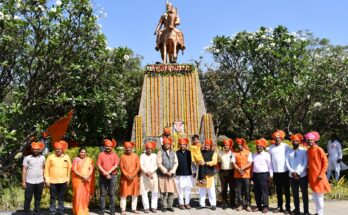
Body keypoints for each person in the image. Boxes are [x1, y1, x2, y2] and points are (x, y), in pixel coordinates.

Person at [306, 131, 331, 215]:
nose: (310, 141)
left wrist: (321, 174)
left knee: (319, 196)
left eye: (311, 140)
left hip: (319, 176)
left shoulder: (319, 149)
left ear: (315, 140)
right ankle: (317, 211)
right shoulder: (308, 150)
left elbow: (326, 162)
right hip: (312, 176)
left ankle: (320, 213)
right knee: (315, 195)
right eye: (308, 140)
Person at [44, 140, 71, 215]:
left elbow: (69, 169)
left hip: (63, 181)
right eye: (57, 149)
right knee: (53, 197)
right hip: (52, 181)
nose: (58, 150)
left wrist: (68, 179)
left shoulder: (66, 157)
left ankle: (61, 211)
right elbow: (46, 169)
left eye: (60, 149)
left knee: (61, 197)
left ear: (62, 149)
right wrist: (47, 180)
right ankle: (52, 211)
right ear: (55, 150)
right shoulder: (50, 157)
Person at [286, 134, 309, 215]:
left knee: (304, 194)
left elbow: (305, 163)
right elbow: (287, 162)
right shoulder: (289, 151)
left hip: (302, 176)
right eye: (293, 141)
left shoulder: (304, 151)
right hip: (292, 176)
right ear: (292, 142)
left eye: (296, 141)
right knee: (295, 194)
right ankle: (297, 209)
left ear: (299, 142)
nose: (295, 142)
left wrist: (298, 172)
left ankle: (306, 211)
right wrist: (292, 172)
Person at [269, 130, 291, 214]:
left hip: (285, 172)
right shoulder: (271, 148)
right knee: (278, 191)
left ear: (281, 138)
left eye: (278, 138)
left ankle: (288, 208)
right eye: (275, 138)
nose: (277, 139)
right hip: (276, 173)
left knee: (287, 191)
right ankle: (279, 207)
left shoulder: (286, 146)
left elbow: (289, 158)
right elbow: (270, 161)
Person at [22, 142, 45, 215]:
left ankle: (37, 212)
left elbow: (43, 168)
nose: (35, 151)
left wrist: (44, 179)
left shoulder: (43, 157)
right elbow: (24, 169)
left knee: (38, 198)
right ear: (32, 150)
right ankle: (26, 212)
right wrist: (23, 181)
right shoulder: (27, 158)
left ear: (40, 150)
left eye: (37, 149)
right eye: (34, 149)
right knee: (28, 198)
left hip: (40, 181)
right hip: (29, 181)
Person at [97, 139, 119, 215]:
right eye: (107, 146)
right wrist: (105, 173)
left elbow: (116, 165)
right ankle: (102, 210)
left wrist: (108, 172)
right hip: (102, 176)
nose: (108, 147)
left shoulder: (115, 155)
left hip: (112, 176)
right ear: (105, 146)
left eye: (109, 146)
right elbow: (99, 165)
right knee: (103, 194)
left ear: (112, 147)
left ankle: (112, 211)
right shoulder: (101, 154)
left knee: (112, 194)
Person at [157, 137, 178, 212]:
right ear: (163, 144)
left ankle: (170, 205)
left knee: (171, 191)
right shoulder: (160, 152)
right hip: (163, 175)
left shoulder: (173, 153)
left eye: (168, 144)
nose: (166, 145)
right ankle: (164, 206)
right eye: (165, 144)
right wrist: (165, 171)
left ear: (170, 145)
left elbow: (176, 163)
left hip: (171, 175)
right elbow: (159, 163)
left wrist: (172, 172)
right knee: (163, 191)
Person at [72, 147, 95, 215]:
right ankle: (78, 211)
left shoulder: (89, 160)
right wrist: (82, 176)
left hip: (87, 180)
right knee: (78, 195)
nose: (83, 153)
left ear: (86, 153)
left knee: (85, 195)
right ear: (79, 153)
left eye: (84, 152)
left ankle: (84, 210)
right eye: (82, 152)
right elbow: (74, 170)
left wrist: (87, 176)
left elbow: (91, 169)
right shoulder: (76, 160)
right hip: (78, 180)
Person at [232, 138, 253, 212]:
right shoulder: (234, 153)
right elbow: (233, 163)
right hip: (237, 175)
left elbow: (250, 162)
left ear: (243, 145)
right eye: (238, 145)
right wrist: (239, 169)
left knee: (247, 190)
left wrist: (242, 168)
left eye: (240, 145)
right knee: (239, 191)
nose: (239, 146)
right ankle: (240, 205)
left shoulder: (248, 152)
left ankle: (248, 205)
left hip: (246, 174)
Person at [120, 141, 141, 215]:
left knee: (134, 194)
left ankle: (134, 209)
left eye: (129, 148)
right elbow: (122, 168)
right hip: (125, 178)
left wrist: (133, 175)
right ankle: (123, 209)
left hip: (134, 178)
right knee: (123, 194)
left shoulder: (135, 156)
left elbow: (138, 166)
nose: (128, 149)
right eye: (127, 148)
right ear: (125, 148)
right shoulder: (122, 156)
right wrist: (127, 175)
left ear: (132, 148)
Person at [252, 138, 272, 213]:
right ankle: (258, 206)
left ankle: (265, 206)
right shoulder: (254, 154)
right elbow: (252, 165)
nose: (259, 147)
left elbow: (270, 165)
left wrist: (271, 175)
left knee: (264, 191)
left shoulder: (267, 155)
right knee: (257, 191)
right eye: (258, 146)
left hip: (264, 174)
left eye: (260, 146)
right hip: (255, 175)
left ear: (263, 147)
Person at [197, 139, 218, 210]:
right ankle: (202, 204)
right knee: (202, 190)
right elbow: (197, 160)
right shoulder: (200, 152)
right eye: (205, 145)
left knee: (211, 189)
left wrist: (205, 163)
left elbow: (214, 162)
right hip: (201, 173)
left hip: (209, 174)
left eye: (207, 145)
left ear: (210, 146)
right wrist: (198, 162)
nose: (206, 146)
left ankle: (213, 204)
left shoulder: (214, 153)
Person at [140, 141, 159, 213]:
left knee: (155, 191)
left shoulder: (155, 155)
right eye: (148, 148)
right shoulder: (142, 155)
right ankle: (146, 207)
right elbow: (141, 165)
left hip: (153, 175)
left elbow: (157, 165)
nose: (149, 150)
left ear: (152, 149)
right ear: (146, 148)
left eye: (150, 148)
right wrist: (146, 172)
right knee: (144, 192)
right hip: (144, 176)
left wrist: (151, 172)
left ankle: (154, 207)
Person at [175, 138, 194, 210]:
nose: (182, 146)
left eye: (184, 144)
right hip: (179, 174)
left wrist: (194, 171)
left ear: (186, 145)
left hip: (188, 173)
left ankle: (187, 203)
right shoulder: (176, 153)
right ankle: (181, 203)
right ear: (179, 145)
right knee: (180, 189)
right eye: (181, 144)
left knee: (188, 189)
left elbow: (193, 163)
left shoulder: (190, 153)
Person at [218, 138, 235, 210]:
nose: (226, 147)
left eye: (227, 145)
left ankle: (232, 203)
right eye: (224, 145)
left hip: (231, 172)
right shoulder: (220, 153)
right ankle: (224, 203)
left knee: (232, 188)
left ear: (229, 146)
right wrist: (219, 171)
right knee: (223, 188)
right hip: (223, 172)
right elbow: (218, 163)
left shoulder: (232, 153)